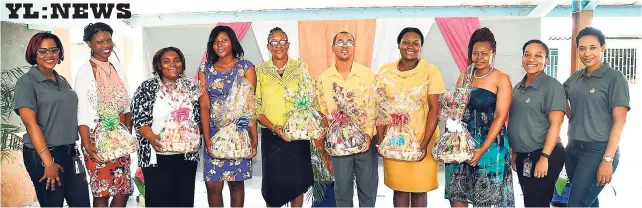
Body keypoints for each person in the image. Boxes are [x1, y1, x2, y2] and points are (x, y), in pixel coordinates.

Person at [15, 32, 91, 207]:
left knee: (82, 203)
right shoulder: (26, 82)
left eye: (53, 50)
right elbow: (30, 124)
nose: (49, 55)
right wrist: (48, 162)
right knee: (53, 204)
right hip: (43, 154)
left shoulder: (61, 79)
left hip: (71, 152)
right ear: (33, 54)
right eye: (42, 51)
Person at [444, 27, 515, 207]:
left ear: (493, 54)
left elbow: (500, 116)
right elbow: (457, 111)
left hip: (490, 146)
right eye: (475, 53)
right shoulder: (464, 77)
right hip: (462, 146)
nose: (479, 57)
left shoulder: (501, 78)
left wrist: (482, 149)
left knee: (488, 201)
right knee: (457, 196)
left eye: (485, 53)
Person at [374, 27, 444, 207]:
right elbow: (380, 107)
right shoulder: (385, 71)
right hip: (394, 141)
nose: (410, 46)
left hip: (422, 138)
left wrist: (423, 144)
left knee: (420, 190)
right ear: (398, 45)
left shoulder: (431, 70)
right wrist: (382, 140)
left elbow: (435, 108)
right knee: (399, 189)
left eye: (416, 43)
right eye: (406, 42)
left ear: (421, 47)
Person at [563, 27, 629, 207]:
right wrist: (574, 116)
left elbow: (620, 121)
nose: (587, 53)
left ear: (603, 47)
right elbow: (559, 99)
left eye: (593, 47)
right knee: (589, 202)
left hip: (598, 151)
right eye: (582, 48)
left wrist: (607, 159)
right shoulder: (575, 78)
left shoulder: (614, 78)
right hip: (573, 148)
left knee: (576, 204)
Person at [131, 47, 201, 207]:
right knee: (158, 200)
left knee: (184, 200)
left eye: (176, 60)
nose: (173, 64)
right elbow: (139, 119)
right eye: (166, 61)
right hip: (157, 154)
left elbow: (197, 118)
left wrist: (192, 137)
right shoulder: (147, 88)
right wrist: (152, 138)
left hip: (186, 155)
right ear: (159, 66)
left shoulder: (191, 88)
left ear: (182, 63)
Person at [198, 25, 258, 208]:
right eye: (215, 42)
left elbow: (250, 105)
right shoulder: (205, 69)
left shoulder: (246, 67)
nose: (219, 44)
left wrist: (254, 139)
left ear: (233, 42)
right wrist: (206, 137)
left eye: (224, 40)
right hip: (214, 132)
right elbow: (204, 104)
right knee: (212, 184)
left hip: (238, 132)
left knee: (236, 182)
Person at [316, 31, 377, 207]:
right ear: (333, 48)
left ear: (354, 48)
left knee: (368, 191)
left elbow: (374, 107)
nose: (344, 46)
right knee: (342, 192)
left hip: (365, 142)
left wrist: (367, 134)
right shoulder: (324, 78)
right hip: (338, 142)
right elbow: (323, 110)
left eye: (349, 42)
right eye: (340, 42)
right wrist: (324, 140)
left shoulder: (367, 75)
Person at [255, 27, 314, 207]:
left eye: (282, 42)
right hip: (272, 136)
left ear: (288, 44)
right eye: (274, 42)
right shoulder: (260, 71)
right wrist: (274, 127)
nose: (278, 46)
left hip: (297, 136)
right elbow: (255, 106)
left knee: (298, 183)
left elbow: (310, 98)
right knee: (273, 185)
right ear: (268, 46)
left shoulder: (300, 68)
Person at [74, 22, 132, 207]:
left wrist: (127, 132)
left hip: (119, 137)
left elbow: (127, 105)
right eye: (100, 42)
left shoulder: (117, 68)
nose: (106, 45)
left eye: (108, 40)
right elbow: (82, 111)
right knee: (102, 191)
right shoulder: (84, 72)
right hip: (96, 138)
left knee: (122, 190)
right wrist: (87, 144)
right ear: (89, 44)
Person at [508, 40, 566, 207]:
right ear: (522, 58)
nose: (531, 59)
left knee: (536, 203)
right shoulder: (519, 86)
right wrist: (515, 152)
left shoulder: (552, 86)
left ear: (546, 60)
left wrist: (544, 157)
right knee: (529, 201)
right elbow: (518, 120)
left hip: (544, 154)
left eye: (538, 55)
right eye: (527, 54)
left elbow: (556, 125)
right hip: (523, 155)